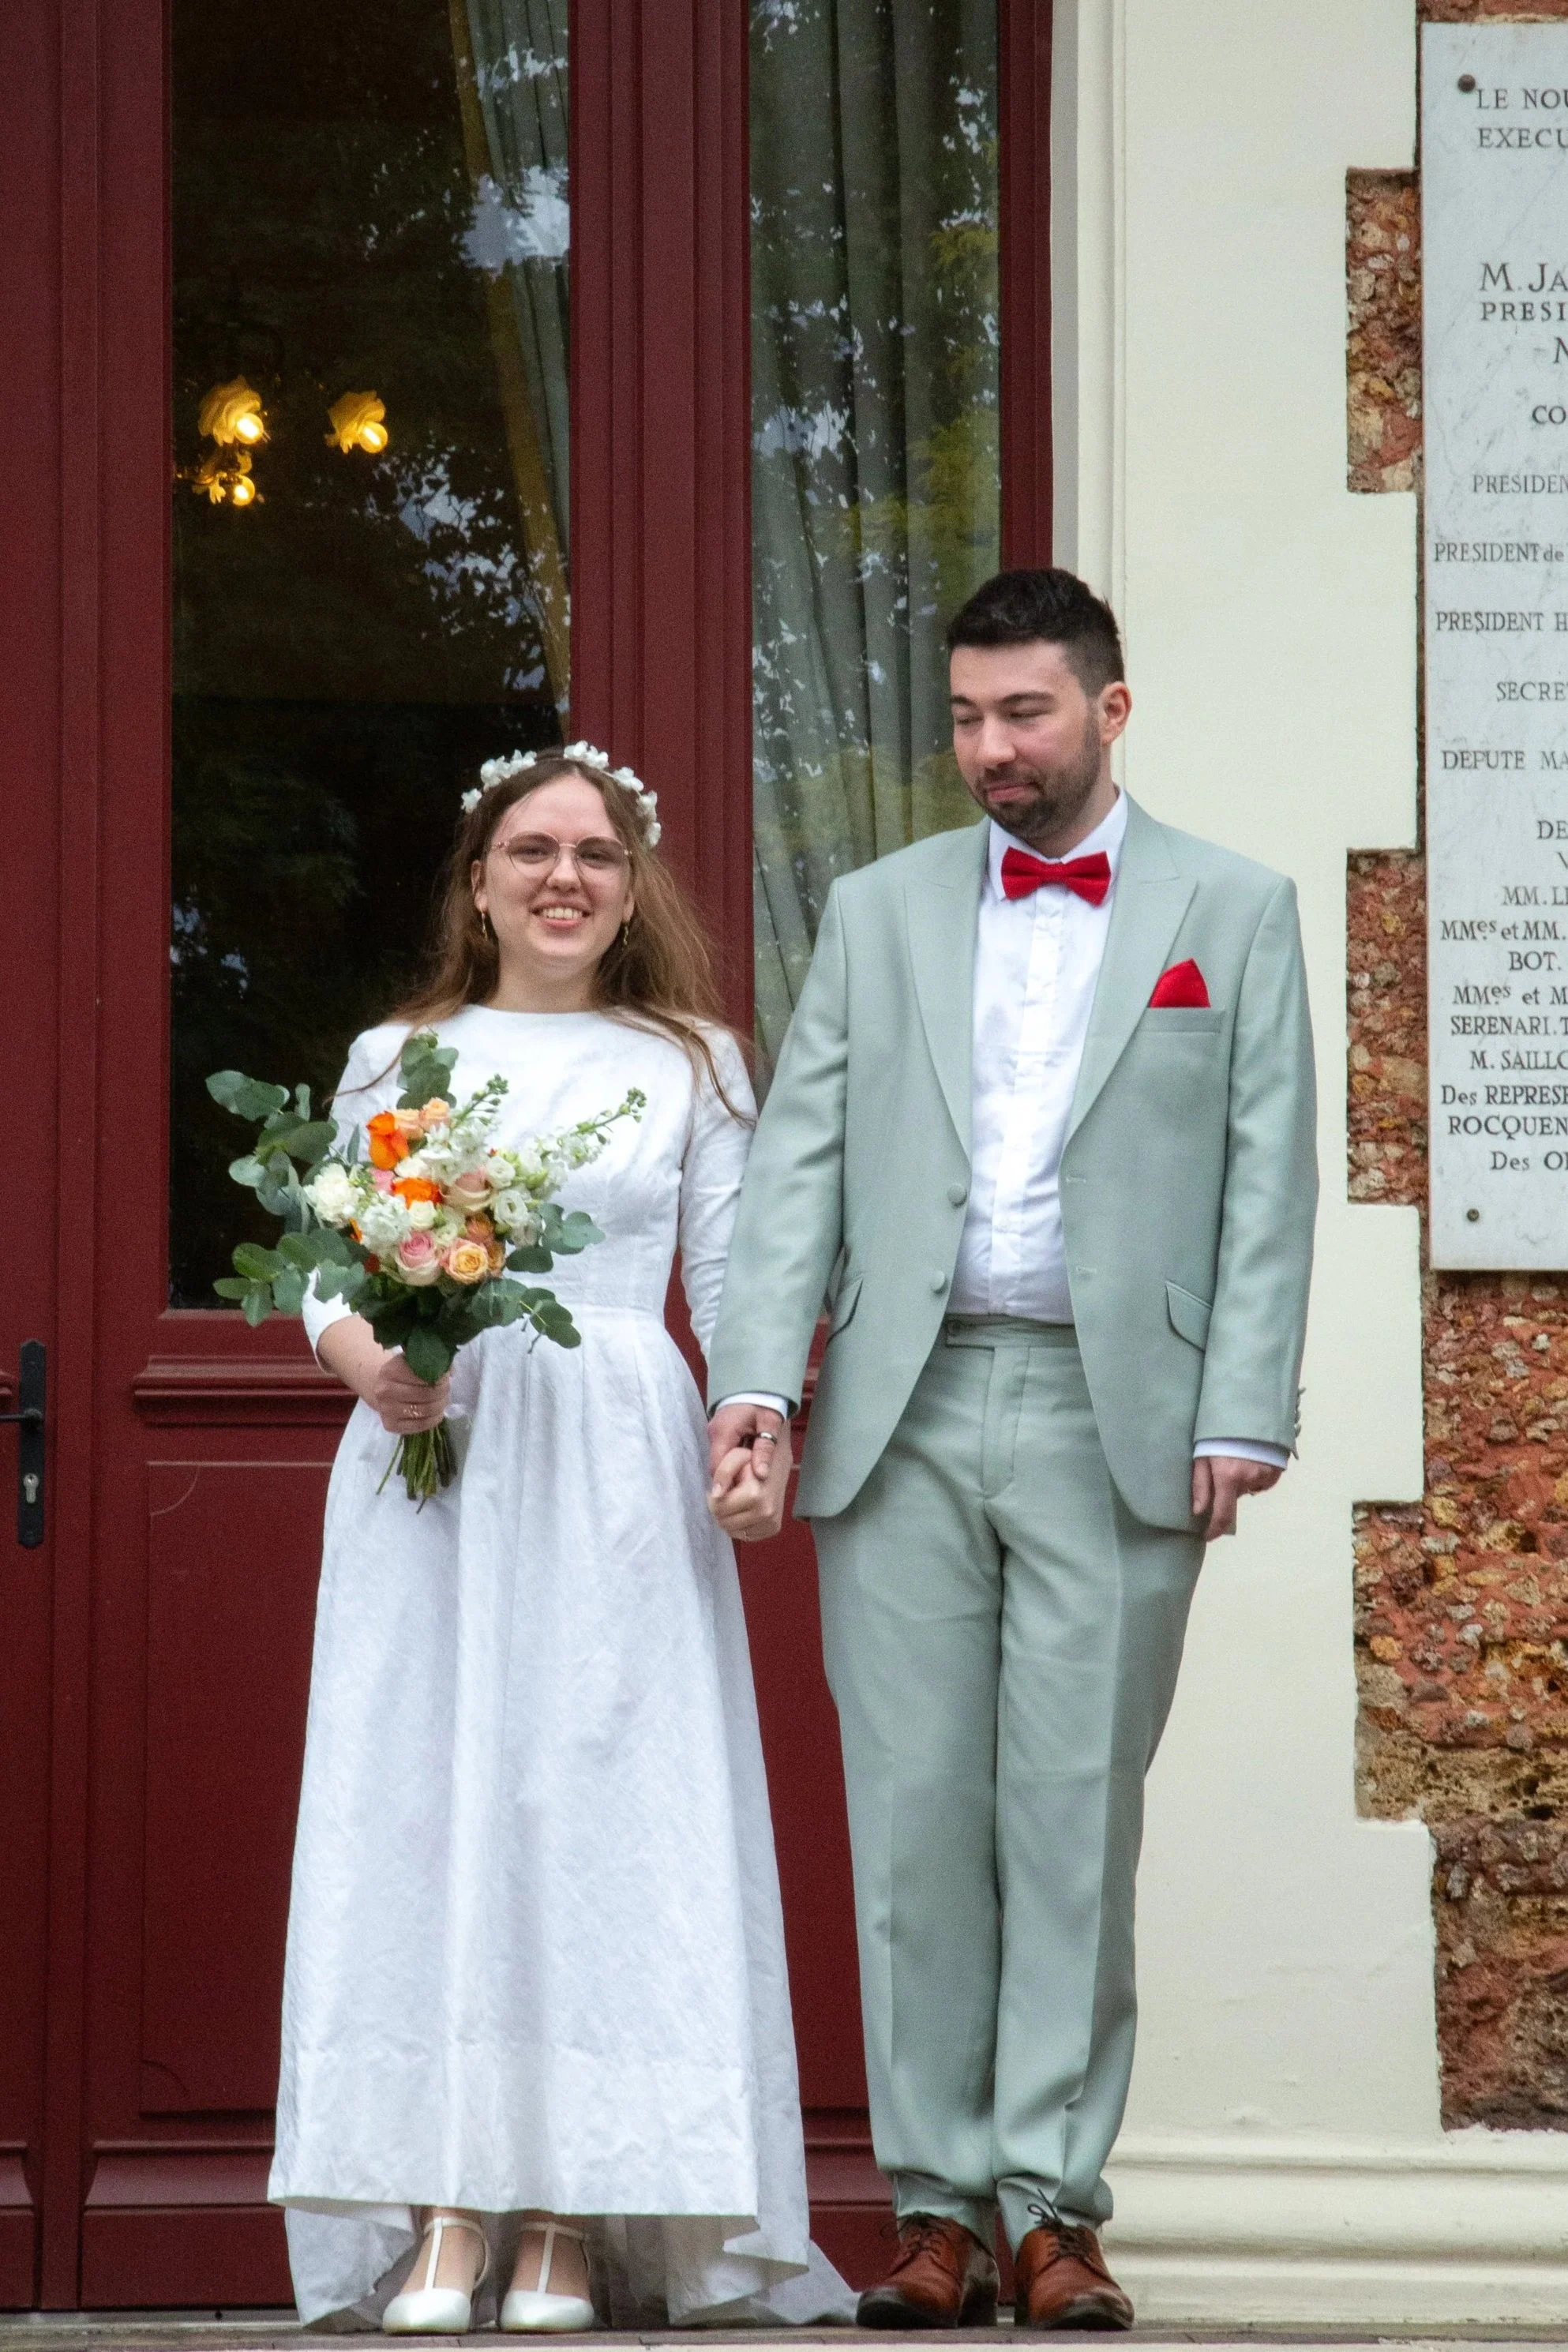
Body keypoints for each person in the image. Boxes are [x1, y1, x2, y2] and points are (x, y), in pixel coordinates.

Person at [706, 569, 1317, 2331]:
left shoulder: (1238, 907)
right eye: (967, 717)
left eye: (1023, 713)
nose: (989, 748)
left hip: (1118, 1415)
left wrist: (1242, 1405)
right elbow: (800, 1166)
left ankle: (1055, 2207)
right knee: (910, 1822)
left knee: (1070, 1822)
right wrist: (762, 1376)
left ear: (1110, 710)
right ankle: (935, 2210)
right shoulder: (878, 909)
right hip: (898, 1410)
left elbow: (1267, 1174)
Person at [269, 748, 852, 2334]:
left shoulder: (692, 1060)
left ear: (633, 880)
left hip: (613, 1452)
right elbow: (328, 1265)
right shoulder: (403, 1055)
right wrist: (370, 1364)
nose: (563, 877)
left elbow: (735, 1278)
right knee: (436, 1791)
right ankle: (448, 2197)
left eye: (596, 852)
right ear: (478, 878)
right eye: (530, 849)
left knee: (597, 1802)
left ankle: (575, 2210)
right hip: (431, 1455)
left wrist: (755, 1421)